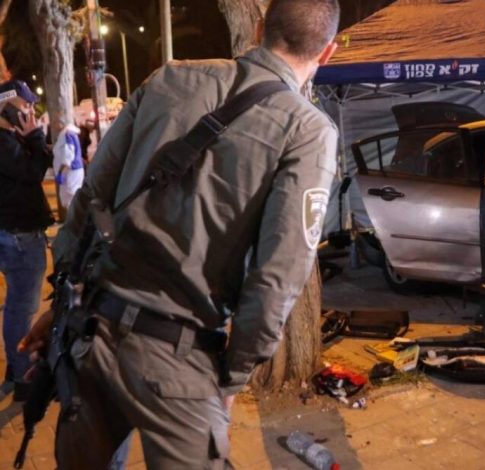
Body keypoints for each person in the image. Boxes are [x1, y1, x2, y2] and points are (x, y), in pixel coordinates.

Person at [19, 0, 340, 467]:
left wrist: (61, 299)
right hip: (179, 360)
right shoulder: (307, 130)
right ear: (327, 53)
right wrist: (232, 379)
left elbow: (92, 197)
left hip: (93, 333)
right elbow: (277, 278)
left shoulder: (169, 77)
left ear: (257, 28)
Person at [0, 79, 51, 402]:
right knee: (22, 308)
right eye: (25, 105)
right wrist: (36, 136)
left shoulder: (7, 140)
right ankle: (22, 376)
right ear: (5, 106)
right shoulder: (4, 143)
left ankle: (14, 364)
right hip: (19, 239)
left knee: (17, 307)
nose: (31, 111)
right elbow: (34, 171)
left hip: (13, 234)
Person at [51, 118, 84, 210]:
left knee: (71, 197)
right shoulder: (69, 134)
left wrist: (60, 172)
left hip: (70, 171)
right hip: (73, 170)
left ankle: (76, 221)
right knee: (72, 197)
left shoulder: (67, 135)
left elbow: (68, 156)